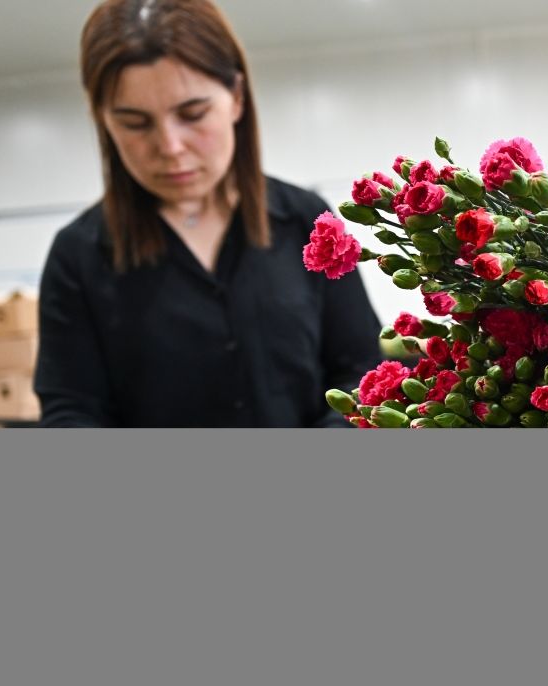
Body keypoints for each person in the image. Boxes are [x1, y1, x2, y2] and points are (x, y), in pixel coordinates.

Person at [35, 0, 382, 427]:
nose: (170, 147)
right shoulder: (78, 255)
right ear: (103, 120)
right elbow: (72, 410)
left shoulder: (306, 221)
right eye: (135, 123)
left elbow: (361, 375)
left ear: (236, 98)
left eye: (193, 114)